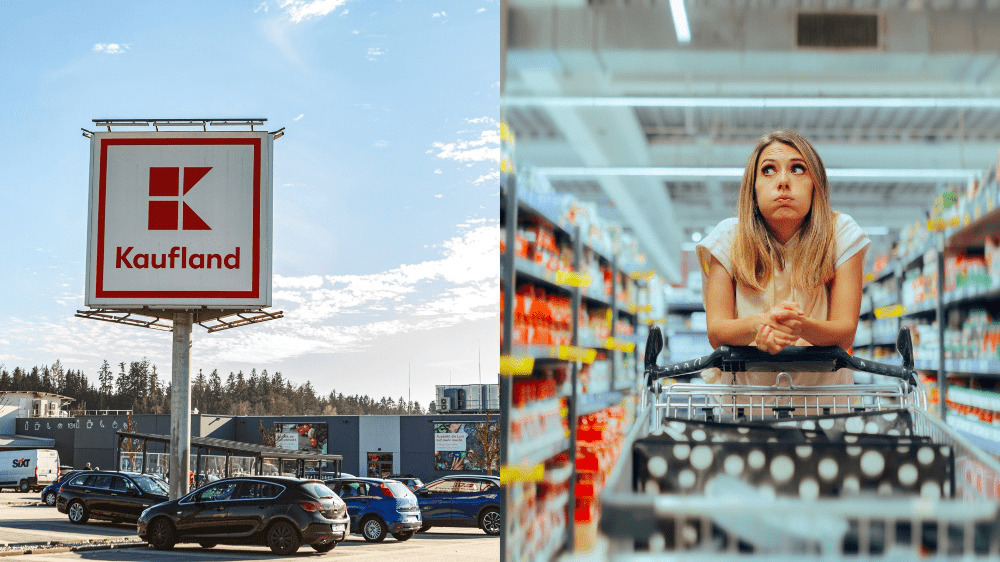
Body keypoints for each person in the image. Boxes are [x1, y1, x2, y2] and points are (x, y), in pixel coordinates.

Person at [696, 129, 870, 387]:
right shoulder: (727, 238)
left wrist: (797, 326)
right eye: (768, 170)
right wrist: (760, 325)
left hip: (823, 400)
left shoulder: (841, 234)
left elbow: (844, 333)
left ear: (816, 185)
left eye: (798, 169)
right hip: (745, 400)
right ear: (753, 189)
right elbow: (717, 331)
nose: (783, 181)